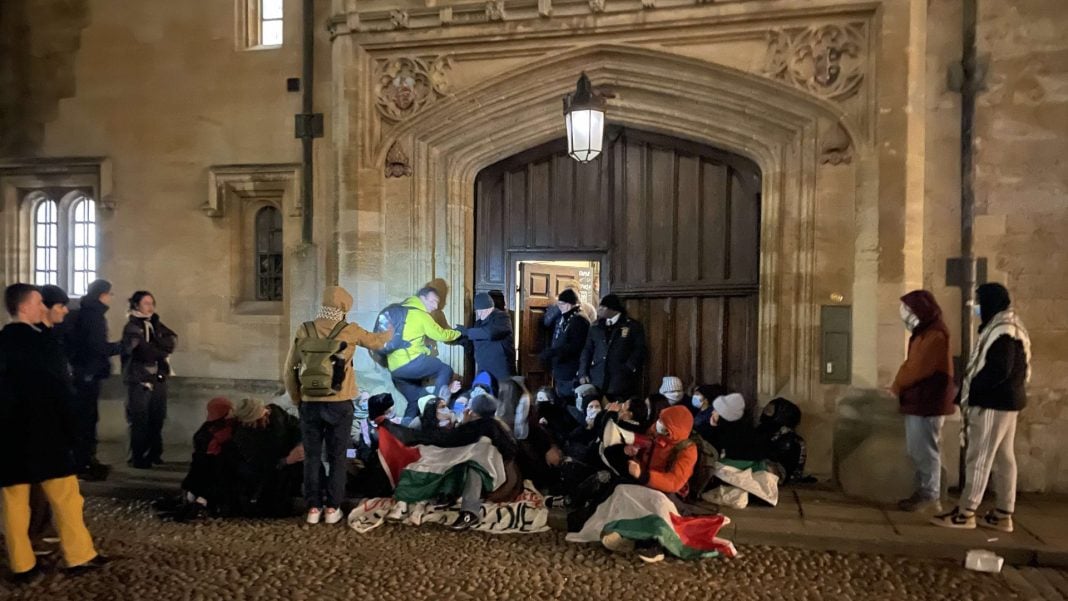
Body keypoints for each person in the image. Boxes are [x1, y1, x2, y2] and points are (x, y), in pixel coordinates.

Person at [0, 284, 107, 584]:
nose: (42, 307)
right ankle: (78, 554)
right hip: (45, 433)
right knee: (66, 497)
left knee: (14, 502)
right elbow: (60, 390)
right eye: (37, 302)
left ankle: (22, 565)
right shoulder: (41, 345)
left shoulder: (3, 342)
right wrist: (74, 430)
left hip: (10, 435)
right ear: (24, 307)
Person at [284, 285, 393, 525]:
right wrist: (389, 332)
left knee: (312, 458)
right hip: (339, 403)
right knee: (337, 457)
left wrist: (297, 398)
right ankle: (333, 508)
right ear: (344, 308)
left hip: (310, 403)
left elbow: (289, 368)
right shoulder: (349, 330)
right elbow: (376, 343)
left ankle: (313, 508)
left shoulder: (305, 329)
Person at [932, 283, 1031, 533]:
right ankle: (1002, 513)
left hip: (992, 403)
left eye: (979, 303)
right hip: (1009, 401)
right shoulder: (1012, 324)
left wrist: (973, 389)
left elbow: (999, 369)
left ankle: (966, 513)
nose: (976, 308)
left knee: (980, 457)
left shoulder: (1002, 330)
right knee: (1004, 457)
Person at [890, 290, 956, 513]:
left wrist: (897, 385)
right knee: (919, 448)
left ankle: (930, 495)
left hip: (927, 401)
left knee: (925, 449)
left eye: (908, 309)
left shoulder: (934, 334)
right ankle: (923, 492)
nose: (905, 314)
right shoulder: (927, 332)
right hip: (922, 400)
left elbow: (916, 368)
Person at [63, 279, 121, 480]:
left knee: (86, 419)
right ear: (102, 295)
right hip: (87, 375)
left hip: (84, 373)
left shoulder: (87, 312)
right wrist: (121, 347)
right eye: (110, 294)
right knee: (86, 420)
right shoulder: (94, 316)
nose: (111, 298)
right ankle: (84, 463)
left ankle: (86, 460)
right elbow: (97, 347)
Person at [385, 286, 462, 421]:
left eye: (437, 302)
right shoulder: (420, 315)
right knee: (445, 369)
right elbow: (442, 335)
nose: (435, 306)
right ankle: (438, 406)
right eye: (432, 301)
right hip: (410, 362)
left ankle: (405, 433)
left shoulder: (401, 311)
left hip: (395, 369)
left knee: (414, 402)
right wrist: (460, 332)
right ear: (422, 298)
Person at [121, 290, 178, 469]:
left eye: (152, 303)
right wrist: (159, 350)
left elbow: (172, 340)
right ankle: (139, 456)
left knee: (157, 416)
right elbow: (143, 351)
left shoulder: (156, 324)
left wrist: (158, 349)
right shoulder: (132, 327)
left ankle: (154, 452)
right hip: (139, 378)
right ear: (137, 305)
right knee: (140, 419)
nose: (150, 306)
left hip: (158, 376)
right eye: (146, 303)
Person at [229, 398, 304, 518]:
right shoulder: (242, 436)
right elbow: (258, 463)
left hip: (289, 459)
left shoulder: (275, 412)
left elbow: (296, 427)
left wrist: (299, 445)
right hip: (267, 472)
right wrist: (286, 460)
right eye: (263, 414)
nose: (267, 414)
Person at [578, 294, 647, 401]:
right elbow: (587, 350)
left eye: (602, 307)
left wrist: (629, 367)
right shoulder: (596, 327)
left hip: (621, 380)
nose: (598, 310)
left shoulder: (632, 326)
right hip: (597, 378)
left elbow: (639, 350)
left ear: (613, 309)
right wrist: (583, 372)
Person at [539, 289, 590, 401]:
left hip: (570, 370)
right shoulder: (565, 317)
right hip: (561, 368)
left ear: (569, 304)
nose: (559, 307)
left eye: (561, 304)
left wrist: (554, 352)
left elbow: (575, 346)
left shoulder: (579, 320)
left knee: (567, 400)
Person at [458, 292, 515, 382]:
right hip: (483, 369)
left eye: (481, 311)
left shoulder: (502, 317)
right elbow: (474, 343)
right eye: (478, 312)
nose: (479, 315)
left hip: (500, 370)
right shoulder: (478, 323)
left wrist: (467, 332)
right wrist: (457, 338)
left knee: (503, 395)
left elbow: (490, 333)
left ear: (489, 308)